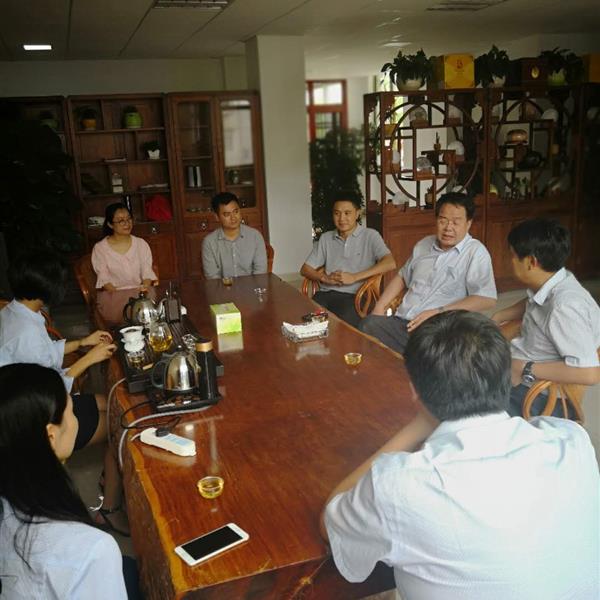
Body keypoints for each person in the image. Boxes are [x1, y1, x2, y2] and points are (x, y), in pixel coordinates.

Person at [322, 311, 599, 600]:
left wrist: (418, 426)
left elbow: (332, 524)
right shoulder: (571, 440)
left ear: (415, 390)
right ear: (507, 376)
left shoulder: (399, 484)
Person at [0, 251, 125, 535]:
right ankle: (109, 509)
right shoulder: (25, 333)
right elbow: (51, 386)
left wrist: (81, 342)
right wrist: (89, 358)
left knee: (112, 402)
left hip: (31, 401)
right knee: (120, 425)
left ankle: (110, 476)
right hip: (36, 418)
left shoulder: (17, 311)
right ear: (47, 286)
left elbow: (43, 354)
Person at [0, 363, 129, 599]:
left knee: (128, 565)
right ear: (51, 436)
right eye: (71, 411)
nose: (76, 419)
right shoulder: (91, 550)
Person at [359, 192, 496, 353]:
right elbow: (402, 277)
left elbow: (486, 299)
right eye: (443, 220)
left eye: (456, 222)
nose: (448, 228)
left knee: (426, 350)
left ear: (468, 223)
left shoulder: (475, 252)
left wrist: (438, 312)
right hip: (402, 322)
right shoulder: (423, 245)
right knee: (368, 325)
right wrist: (379, 307)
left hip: (438, 331)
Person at [491, 218, 600, 417]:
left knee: (459, 404)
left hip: (536, 397)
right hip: (519, 375)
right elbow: (532, 301)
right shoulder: (557, 280)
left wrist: (524, 368)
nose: (510, 261)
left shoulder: (565, 307)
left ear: (531, 262)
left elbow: (589, 373)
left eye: (512, 256)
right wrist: (500, 315)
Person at [300, 194, 396, 327]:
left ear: (357, 213)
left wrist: (354, 277)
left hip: (355, 296)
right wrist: (325, 278)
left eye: (347, 213)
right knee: (307, 321)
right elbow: (305, 269)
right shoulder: (326, 238)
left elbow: (390, 263)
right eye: (337, 213)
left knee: (341, 327)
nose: (341, 219)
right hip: (325, 293)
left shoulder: (370, 236)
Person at [92, 202, 157, 291]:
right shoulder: (100, 248)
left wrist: (143, 293)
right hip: (114, 294)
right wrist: (118, 296)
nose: (127, 223)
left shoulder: (141, 244)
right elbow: (104, 280)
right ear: (110, 224)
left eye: (129, 218)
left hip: (140, 292)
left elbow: (147, 273)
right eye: (121, 220)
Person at [202, 192, 267, 279]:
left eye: (236, 211)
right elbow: (212, 277)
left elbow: (260, 272)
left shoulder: (255, 236)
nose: (233, 217)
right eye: (227, 214)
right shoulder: (209, 242)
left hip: (252, 286)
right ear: (217, 217)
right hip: (223, 287)